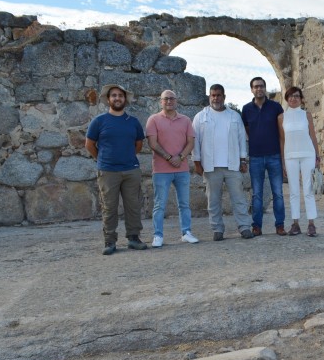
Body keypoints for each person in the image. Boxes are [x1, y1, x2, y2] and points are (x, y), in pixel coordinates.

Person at [85, 84, 147, 255]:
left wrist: (126, 157)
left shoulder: (133, 122)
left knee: (133, 205)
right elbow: (89, 145)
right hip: (108, 171)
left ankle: (134, 238)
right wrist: (103, 159)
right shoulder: (99, 121)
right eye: (114, 95)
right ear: (108, 99)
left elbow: (139, 145)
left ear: (125, 99)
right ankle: (109, 241)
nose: (117, 98)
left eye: (120, 95)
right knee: (109, 207)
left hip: (131, 170)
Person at [192, 84, 254, 241]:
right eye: (213, 95)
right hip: (210, 165)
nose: (215, 98)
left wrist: (243, 159)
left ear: (224, 97)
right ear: (209, 97)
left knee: (238, 198)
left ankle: (244, 227)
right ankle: (217, 229)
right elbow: (195, 141)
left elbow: (241, 139)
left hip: (232, 164)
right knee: (213, 199)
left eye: (218, 95)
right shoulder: (201, 117)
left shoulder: (234, 116)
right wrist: (197, 162)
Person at [145, 90, 198, 248]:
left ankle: (186, 233)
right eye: (166, 99)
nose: (169, 101)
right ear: (161, 101)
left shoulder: (186, 120)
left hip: (181, 169)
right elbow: (153, 143)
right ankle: (158, 235)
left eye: (172, 98)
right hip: (161, 170)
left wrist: (180, 158)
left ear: (176, 101)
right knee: (159, 204)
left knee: (184, 204)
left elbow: (191, 143)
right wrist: (169, 158)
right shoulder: (153, 120)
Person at [241, 77, 287, 236]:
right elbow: (247, 130)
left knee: (278, 193)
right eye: (255, 86)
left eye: (261, 86)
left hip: (274, 155)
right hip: (256, 157)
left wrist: (283, 158)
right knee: (257, 194)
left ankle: (280, 225)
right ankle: (257, 226)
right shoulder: (246, 109)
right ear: (251, 89)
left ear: (265, 88)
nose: (259, 89)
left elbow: (282, 132)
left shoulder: (276, 107)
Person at [278, 87, 320, 236]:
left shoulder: (306, 115)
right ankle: (295, 223)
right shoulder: (281, 118)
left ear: (301, 99)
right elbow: (282, 141)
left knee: (308, 190)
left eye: (296, 96)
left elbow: (313, 136)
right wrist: (283, 161)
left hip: (308, 154)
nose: (293, 99)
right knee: (294, 191)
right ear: (286, 99)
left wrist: (317, 156)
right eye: (290, 96)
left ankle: (311, 224)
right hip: (290, 157)